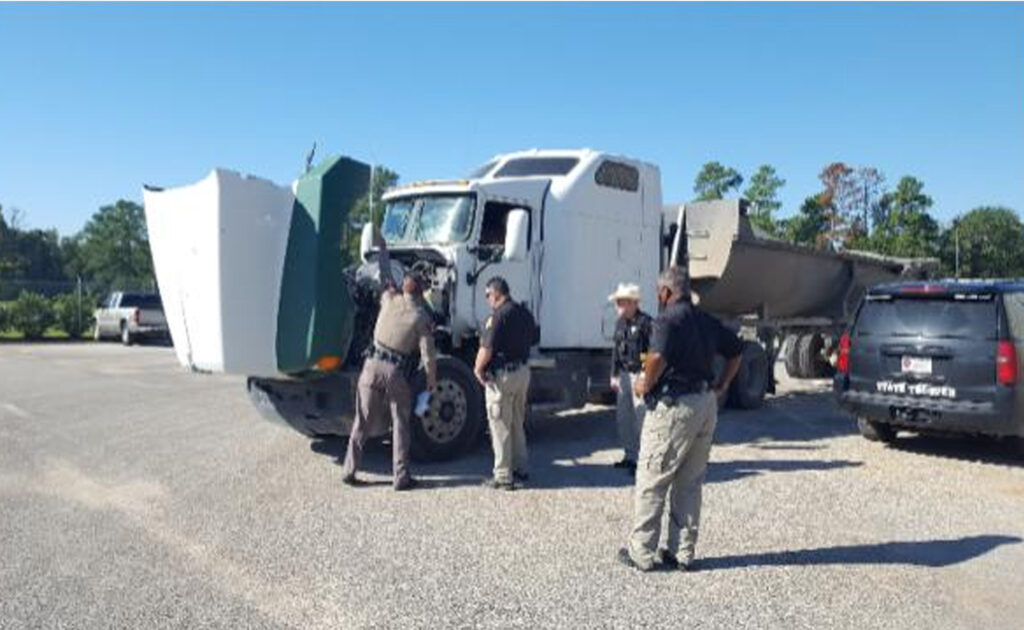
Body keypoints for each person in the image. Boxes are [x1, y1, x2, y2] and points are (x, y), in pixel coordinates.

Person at [617, 266, 742, 572]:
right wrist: (722, 384)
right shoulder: (706, 320)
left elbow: (657, 358)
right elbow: (737, 351)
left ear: (667, 292)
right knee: (689, 482)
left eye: (660, 291)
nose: (658, 297)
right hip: (704, 404)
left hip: (674, 407)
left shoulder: (667, 319)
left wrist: (644, 383)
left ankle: (642, 552)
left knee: (652, 477)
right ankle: (681, 553)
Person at [341, 228, 437, 491]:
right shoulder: (422, 318)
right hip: (396, 373)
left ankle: (349, 470)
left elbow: (384, 273)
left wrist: (383, 247)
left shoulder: (388, 298)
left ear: (403, 287)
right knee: (401, 422)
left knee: (362, 420)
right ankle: (400, 477)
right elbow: (428, 354)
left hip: (370, 367)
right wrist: (431, 382)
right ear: (422, 292)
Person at [474, 276, 537, 491]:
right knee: (517, 422)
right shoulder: (523, 312)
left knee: (500, 424)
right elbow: (534, 337)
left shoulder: (497, 317)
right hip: (522, 373)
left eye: (487, 296)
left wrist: (478, 369)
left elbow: (487, 348)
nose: (487, 300)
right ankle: (521, 467)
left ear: (496, 294)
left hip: (503, 377)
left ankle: (503, 476)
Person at [607, 283, 653, 475]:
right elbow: (616, 352)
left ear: (633, 303)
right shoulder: (620, 323)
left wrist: (644, 372)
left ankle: (644, 461)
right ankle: (630, 456)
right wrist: (613, 374)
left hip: (638, 375)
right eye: (617, 303)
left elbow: (651, 351)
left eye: (621, 302)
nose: (618, 306)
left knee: (641, 418)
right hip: (624, 376)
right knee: (624, 418)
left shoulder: (646, 323)